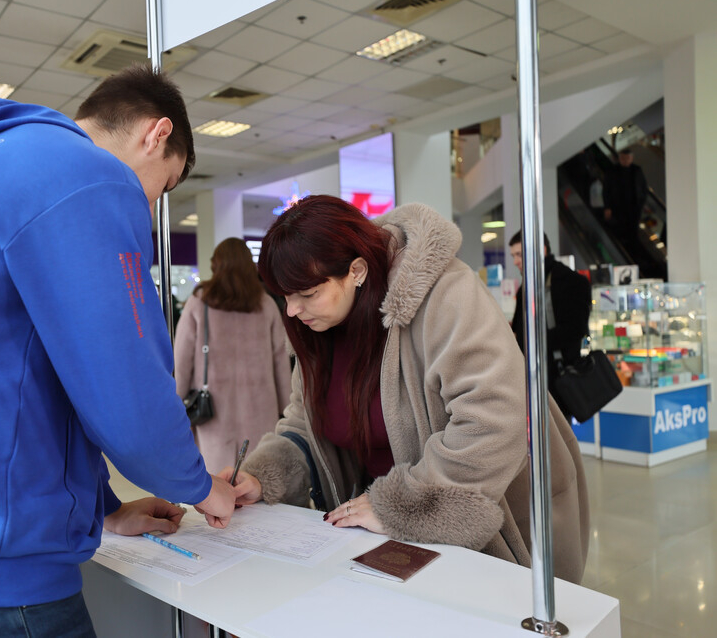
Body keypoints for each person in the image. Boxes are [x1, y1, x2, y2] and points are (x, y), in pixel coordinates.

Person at [0, 65, 236, 637]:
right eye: (166, 183)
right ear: (156, 135)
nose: (151, 201)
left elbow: (14, 368)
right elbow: (126, 385)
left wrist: (106, 507)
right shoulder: (89, 175)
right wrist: (204, 489)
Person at [223, 197, 589, 584]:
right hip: (383, 541)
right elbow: (305, 423)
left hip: (497, 525)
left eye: (308, 294)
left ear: (357, 271)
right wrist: (263, 476)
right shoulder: (317, 327)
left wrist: (402, 505)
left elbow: (496, 417)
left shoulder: (445, 294)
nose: (292, 310)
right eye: (284, 297)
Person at [174, 237, 292, 473]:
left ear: (216, 265)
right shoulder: (265, 304)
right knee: (258, 479)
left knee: (217, 480)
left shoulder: (199, 303)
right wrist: (286, 408)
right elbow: (281, 359)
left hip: (213, 410)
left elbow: (182, 359)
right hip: (261, 407)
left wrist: (177, 405)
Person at [508, 231, 593, 419]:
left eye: (519, 254)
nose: (515, 261)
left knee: (560, 442)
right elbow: (518, 329)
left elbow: (575, 329)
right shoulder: (527, 286)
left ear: (541, 250)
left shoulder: (571, 282)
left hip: (558, 382)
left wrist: (530, 341)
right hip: (531, 379)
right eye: (513, 255)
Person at [602, 148, 648, 246]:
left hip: (634, 207)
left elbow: (644, 188)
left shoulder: (636, 170)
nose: (625, 160)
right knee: (619, 230)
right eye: (623, 158)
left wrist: (641, 203)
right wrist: (607, 207)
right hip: (617, 207)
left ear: (631, 158)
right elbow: (606, 190)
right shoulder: (612, 171)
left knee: (633, 231)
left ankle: (633, 249)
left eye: (627, 158)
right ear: (619, 158)